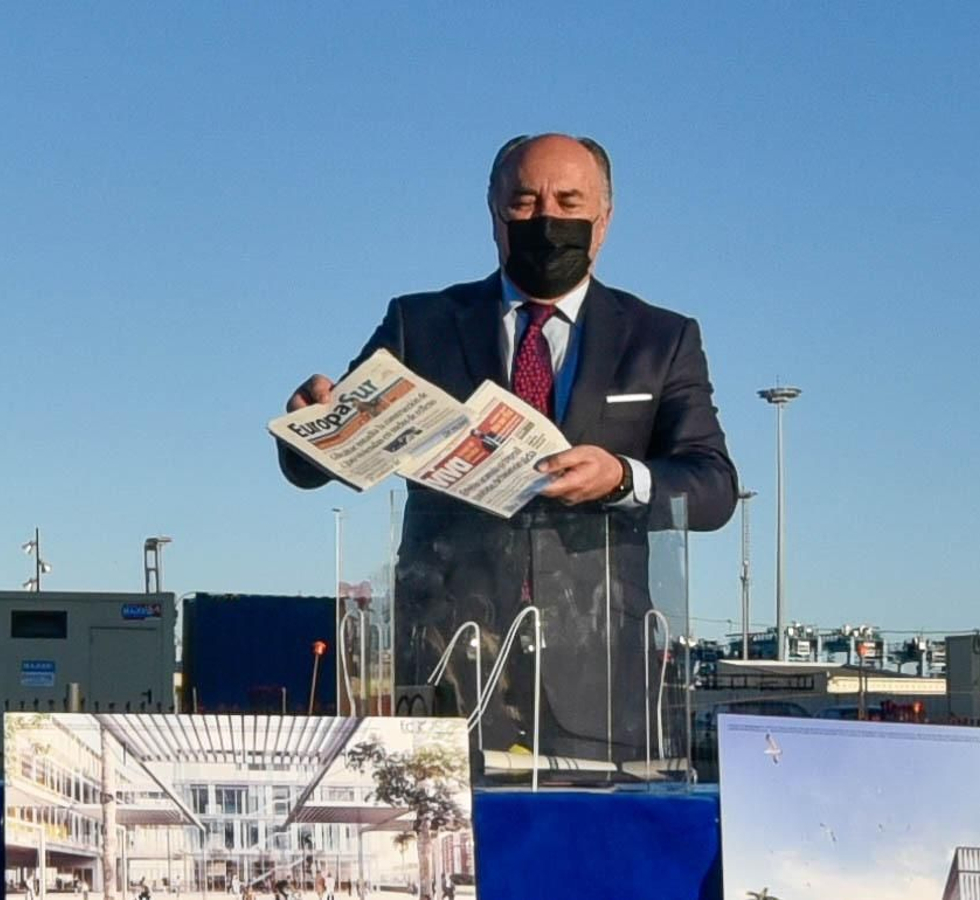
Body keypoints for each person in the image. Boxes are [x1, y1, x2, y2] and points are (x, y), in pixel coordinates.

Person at [279, 134, 738, 769]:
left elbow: (712, 486)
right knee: (440, 856)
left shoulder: (662, 338)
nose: (547, 221)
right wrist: (311, 430)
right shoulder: (422, 322)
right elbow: (325, 457)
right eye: (524, 202)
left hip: (599, 678)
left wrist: (622, 476)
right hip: (446, 666)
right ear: (494, 212)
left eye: (569, 201)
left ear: (603, 219)